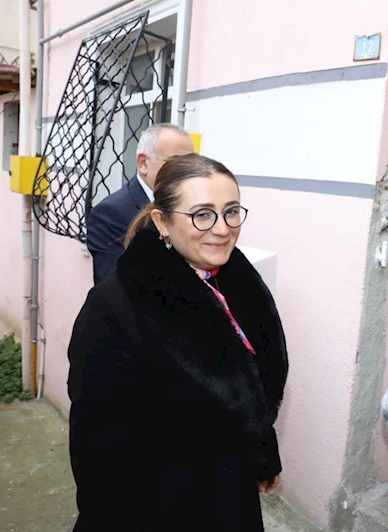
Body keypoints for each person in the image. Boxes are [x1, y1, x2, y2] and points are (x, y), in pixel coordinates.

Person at [68, 153, 288, 531]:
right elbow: (96, 448)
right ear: (162, 222)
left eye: (231, 211)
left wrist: (263, 452)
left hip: (230, 497)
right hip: (157, 507)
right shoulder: (115, 306)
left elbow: (246, 386)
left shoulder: (239, 282)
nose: (222, 229)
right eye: (202, 214)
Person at [85, 123, 195, 285]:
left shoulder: (192, 206)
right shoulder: (110, 213)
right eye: (176, 163)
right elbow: (114, 288)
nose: (186, 172)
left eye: (190, 164)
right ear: (143, 163)